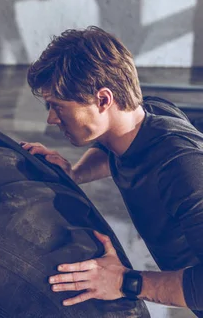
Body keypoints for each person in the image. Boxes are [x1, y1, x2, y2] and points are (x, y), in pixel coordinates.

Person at [21, 26, 203, 316]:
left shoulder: (180, 165)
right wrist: (74, 174)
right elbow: (112, 150)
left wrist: (125, 281)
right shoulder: (145, 117)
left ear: (104, 100)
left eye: (58, 106)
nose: (51, 118)